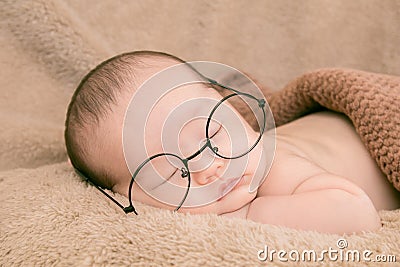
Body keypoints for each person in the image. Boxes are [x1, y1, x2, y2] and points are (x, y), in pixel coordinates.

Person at [65, 51, 400, 234]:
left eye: (213, 133)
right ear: (123, 194)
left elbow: (355, 213)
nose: (212, 167)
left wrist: (248, 214)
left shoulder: (275, 167)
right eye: (177, 174)